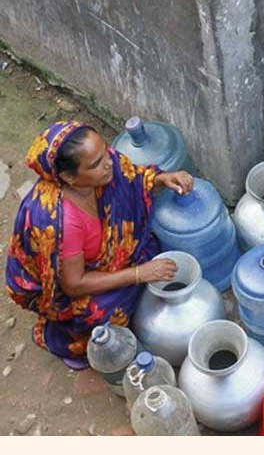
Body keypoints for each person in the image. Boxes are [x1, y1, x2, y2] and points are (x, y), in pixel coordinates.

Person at [5, 121, 194, 369]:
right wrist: (139, 274)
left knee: (154, 248)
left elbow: (132, 178)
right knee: (102, 320)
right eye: (95, 163)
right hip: (68, 286)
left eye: (105, 150)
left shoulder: (107, 165)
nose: (108, 162)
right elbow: (73, 285)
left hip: (107, 258)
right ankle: (66, 341)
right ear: (68, 177)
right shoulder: (60, 223)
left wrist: (161, 178)